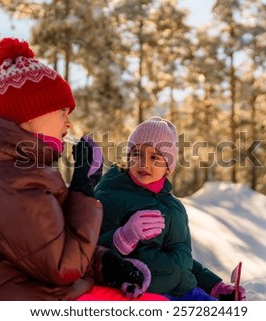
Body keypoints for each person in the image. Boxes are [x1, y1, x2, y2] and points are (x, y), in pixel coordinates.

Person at [0, 37, 165, 301]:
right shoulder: (5, 178)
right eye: (62, 111)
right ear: (32, 113)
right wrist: (82, 190)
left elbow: (47, 241)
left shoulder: (15, 169)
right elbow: (62, 266)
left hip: (33, 288)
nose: (68, 123)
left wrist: (106, 265)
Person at [95, 116, 246, 301]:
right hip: (145, 293)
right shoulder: (112, 195)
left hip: (185, 292)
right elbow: (90, 251)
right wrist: (123, 237)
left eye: (154, 157)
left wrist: (214, 286)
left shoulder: (174, 208)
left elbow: (181, 262)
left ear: (168, 167)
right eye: (136, 154)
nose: (143, 163)